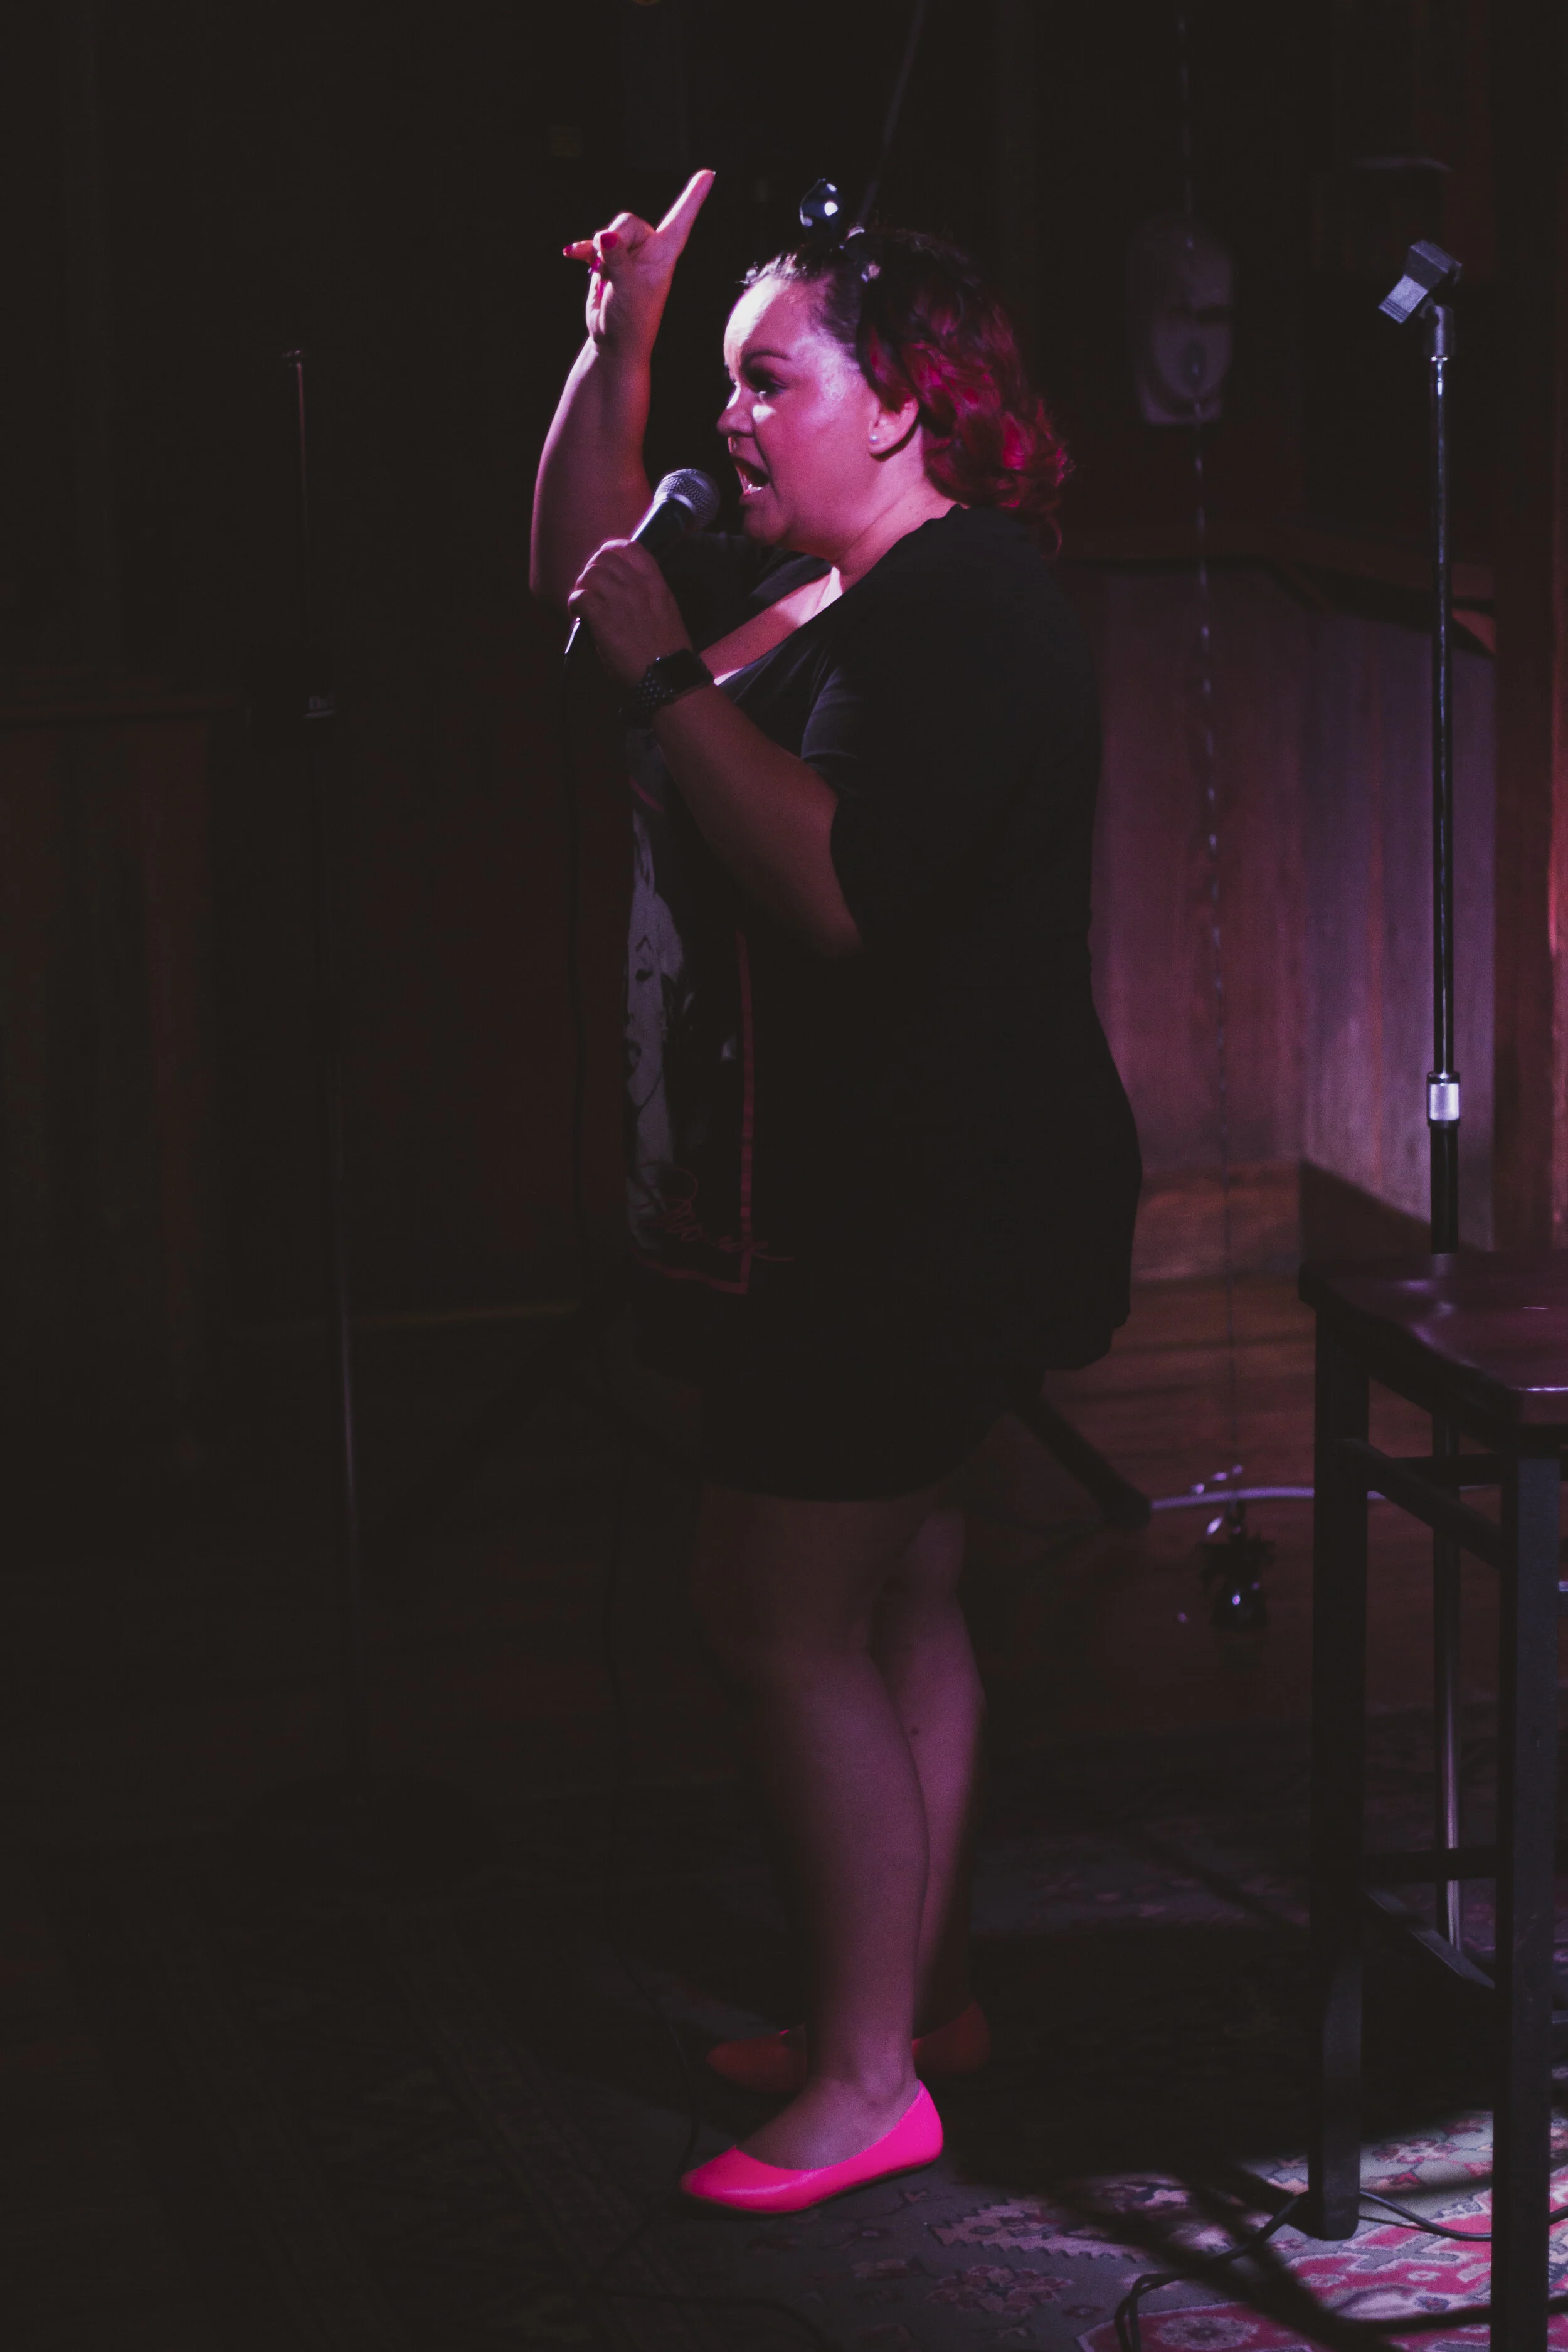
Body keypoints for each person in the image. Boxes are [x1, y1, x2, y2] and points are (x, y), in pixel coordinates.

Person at [530, 170, 1140, 2215]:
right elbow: (583, 581)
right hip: (840, 1194)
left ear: (896, 402)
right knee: (902, 1587)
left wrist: (666, 688)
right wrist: (618, 347)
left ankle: (868, 2078)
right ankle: (917, 2001)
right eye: (724, 378)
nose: (733, 416)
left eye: (766, 378)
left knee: (768, 1617)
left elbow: (837, 890)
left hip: (921, 1211)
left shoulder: (966, 608)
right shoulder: (812, 569)